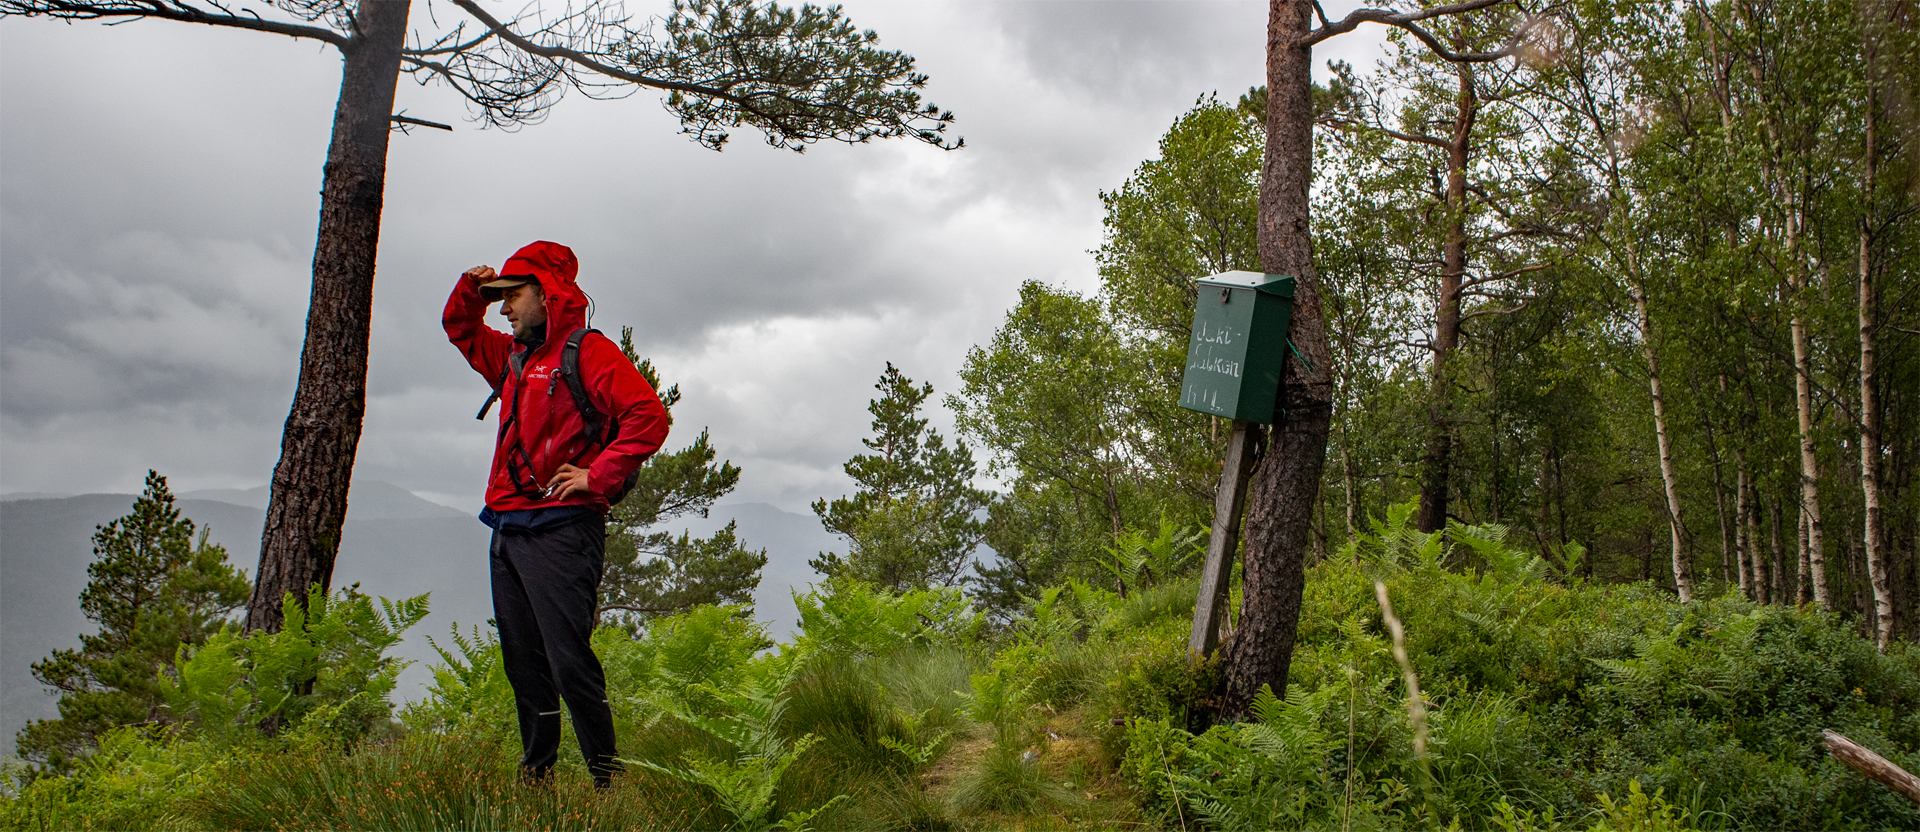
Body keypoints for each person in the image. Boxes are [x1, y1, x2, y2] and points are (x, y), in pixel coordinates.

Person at [443, 240, 669, 786]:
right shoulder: (514, 355)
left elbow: (648, 415)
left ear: (545, 295)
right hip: (506, 528)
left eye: (513, 296)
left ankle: (607, 782)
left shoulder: (587, 352)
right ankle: (537, 775)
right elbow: (462, 330)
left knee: (570, 664)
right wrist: (471, 292)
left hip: (564, 532)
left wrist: (598, 476)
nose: (505, 309)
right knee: (523, 664)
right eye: (500, 300)